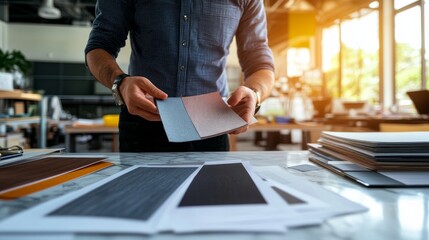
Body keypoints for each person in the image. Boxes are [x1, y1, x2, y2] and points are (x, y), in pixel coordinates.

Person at [85, 0, 275, 152]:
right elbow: (98, 47)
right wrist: (120, 83)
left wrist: (254, 93)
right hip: (143, 122)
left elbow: (261, 63)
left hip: (213, 126)